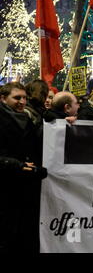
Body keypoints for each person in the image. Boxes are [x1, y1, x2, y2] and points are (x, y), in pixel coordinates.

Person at [0, 82, 47, 253]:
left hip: (24, 188)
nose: (22, 101)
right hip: (6, 188)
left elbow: (37, 144)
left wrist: (62, 123)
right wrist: (17, 165)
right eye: (17, 98)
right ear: (3, 99)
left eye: (24, 98)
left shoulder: (26, 119)